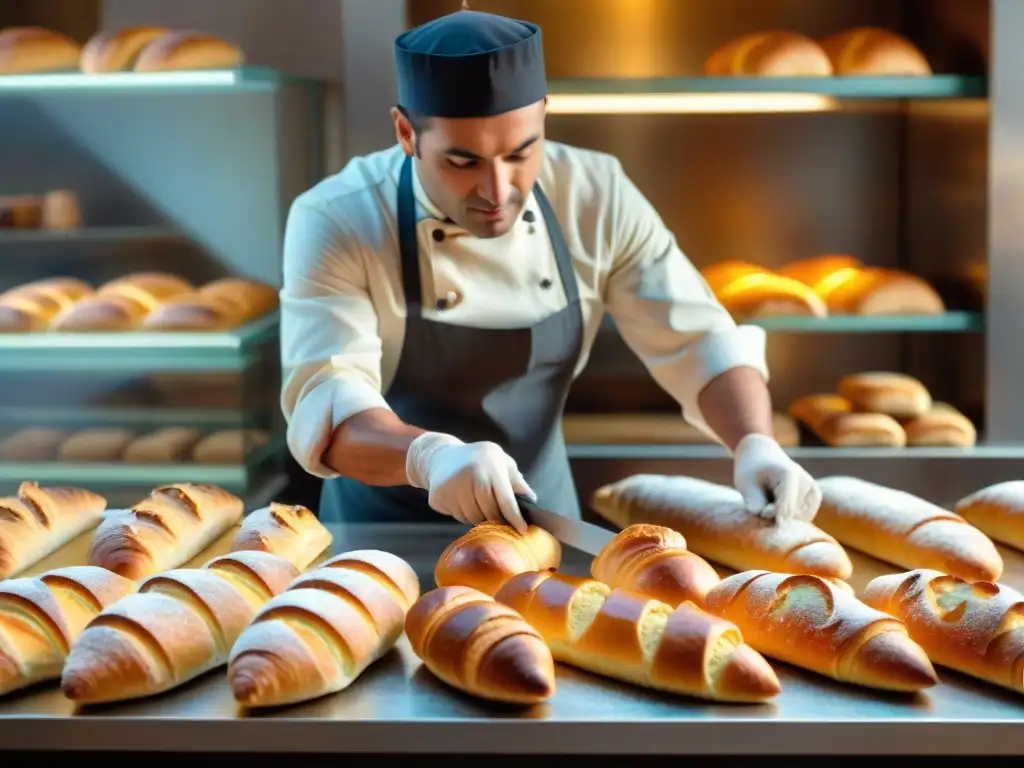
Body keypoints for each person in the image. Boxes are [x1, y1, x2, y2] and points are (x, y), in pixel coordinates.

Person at [280, 7, 822, 531]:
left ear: (543, 115)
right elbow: (329, 402)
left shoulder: (597, 194)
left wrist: (754, 442)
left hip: (539, 529)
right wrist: (429, 457)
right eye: (462, 162)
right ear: (406, 133)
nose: (497, 191)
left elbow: (699, 339)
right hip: (379, 543)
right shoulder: (338, 217)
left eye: (520, 153)